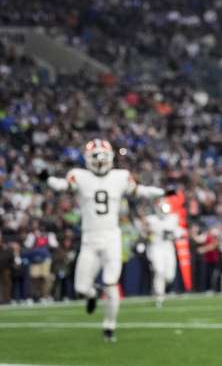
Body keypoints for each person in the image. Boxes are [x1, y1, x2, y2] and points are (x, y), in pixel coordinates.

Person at [40, 138, 165, 342]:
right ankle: (91, 295)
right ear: (88, 158)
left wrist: (160, 192)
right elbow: (61, 186)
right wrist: (46, 178)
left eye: (102, 156)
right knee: (80, 288)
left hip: (111, 237)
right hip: (89, 238)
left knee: (110, 282)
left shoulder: (120, 176)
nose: (99, 161)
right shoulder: (79, 176)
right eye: (95, 157)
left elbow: (139, 190)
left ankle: (109, 326)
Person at [144, 202, 183, 307]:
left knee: (170, 276)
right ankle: (159, 295)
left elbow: (179, 231)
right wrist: (148, 233)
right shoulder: (152, 219)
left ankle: (159, 289)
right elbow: (145, 230)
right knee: (159, 271)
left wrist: (176, 234)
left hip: (168, 248)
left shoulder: (173, 219)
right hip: (156, 247)